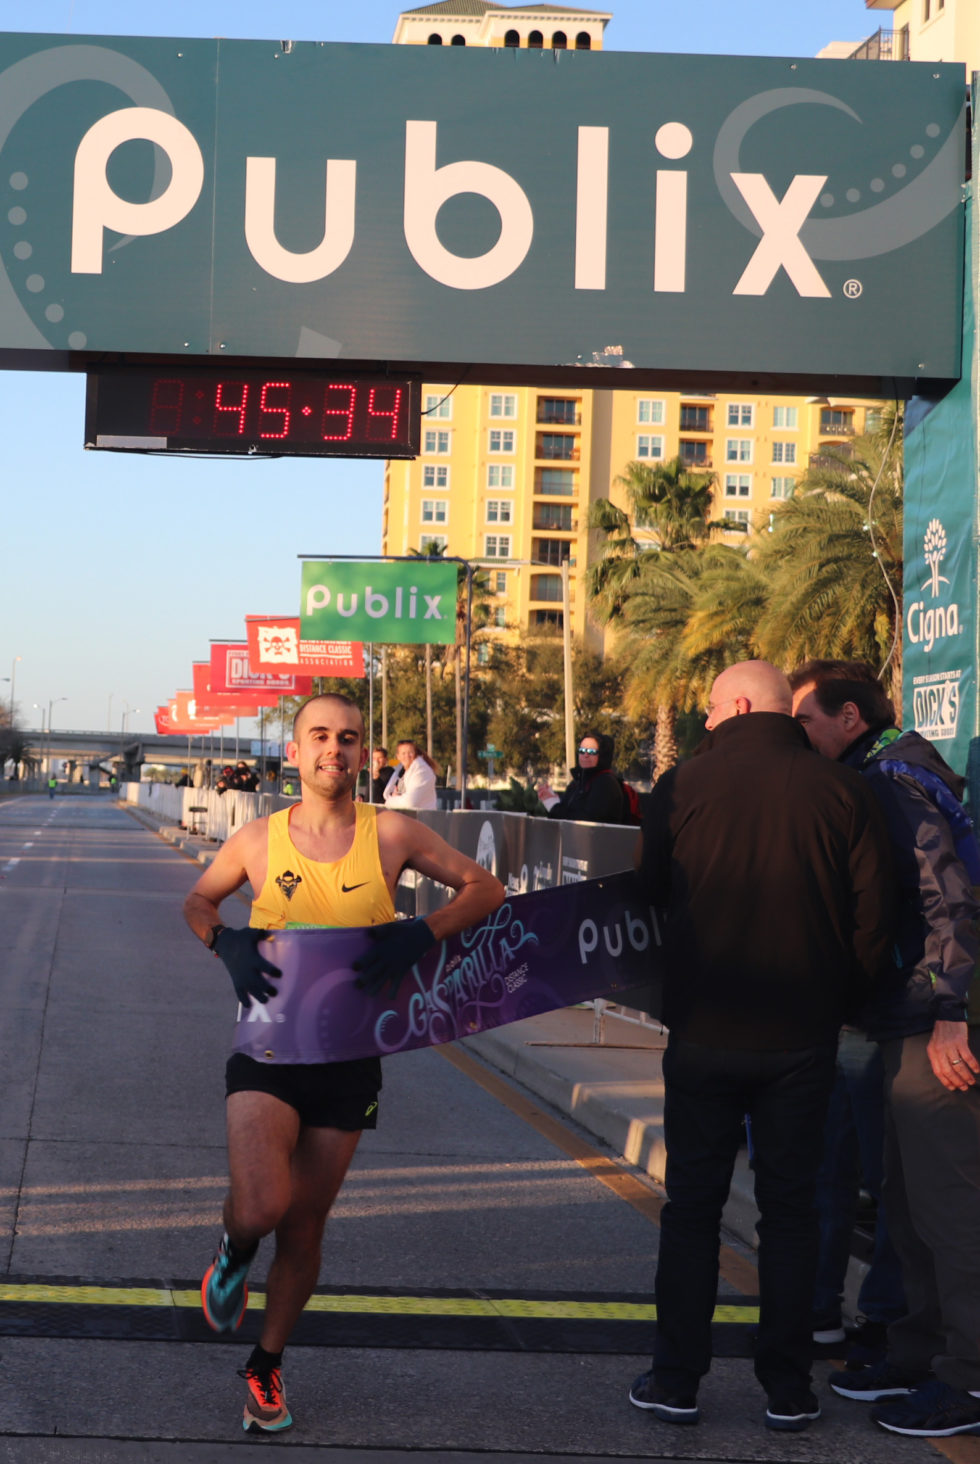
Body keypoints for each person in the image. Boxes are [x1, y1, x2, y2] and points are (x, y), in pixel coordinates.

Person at [183, 692, 503, 1435]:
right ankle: (232, 1250)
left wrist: (423, 932)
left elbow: (486, 888)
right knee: (262, 1205)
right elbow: (199, 901)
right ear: (293, 752)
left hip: (352, 1054)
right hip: (266, 1046)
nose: (336, 748)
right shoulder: (258, 840)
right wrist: (223, 941)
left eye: (350, 738)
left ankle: (266, 1364)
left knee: (304, 1225)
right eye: (320, 736)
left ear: (365, 754)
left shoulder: (392, 832)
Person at [629, 660, 895, 1433]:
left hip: (705, 1035)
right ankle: (789, 1387)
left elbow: (649, 891)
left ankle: (676, 1379)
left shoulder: (682, 786)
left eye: (711, 710)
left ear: (740, 705)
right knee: (791, 1213)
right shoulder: (844, 790)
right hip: (801, 1042)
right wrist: (833, 1003)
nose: (706, 722)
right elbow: (873, 921)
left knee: (691, 1211)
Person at [790, 659, 980, 1438]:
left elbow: (948, 894)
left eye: (805, 720)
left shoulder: (893, 783)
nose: (796, 736)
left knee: (949, 1209)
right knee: (906, 1204)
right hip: (908, 1016)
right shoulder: (888, 770)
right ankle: (919, 1353)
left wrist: (951, 1010)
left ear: (848, 719)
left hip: (936, 1020)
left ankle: (968, 1382)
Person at [537, 732, 628, 825]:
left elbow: (587, 821)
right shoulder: (578, 782)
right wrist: (554, 799)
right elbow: (569, 810)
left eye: (592, 752)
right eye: (582, 751)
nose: (585, 755)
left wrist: (553, 805)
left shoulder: (606, 783)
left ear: (602, 756)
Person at [382, 739, 438, 810]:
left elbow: (409, 802)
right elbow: (387, 794)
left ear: (415, 754)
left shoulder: (422, 771)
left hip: (422, 818)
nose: (407, 756)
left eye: (410, 752)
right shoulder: (401, 771)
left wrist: (390, 801)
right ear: (398, 756)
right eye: (403, 753)